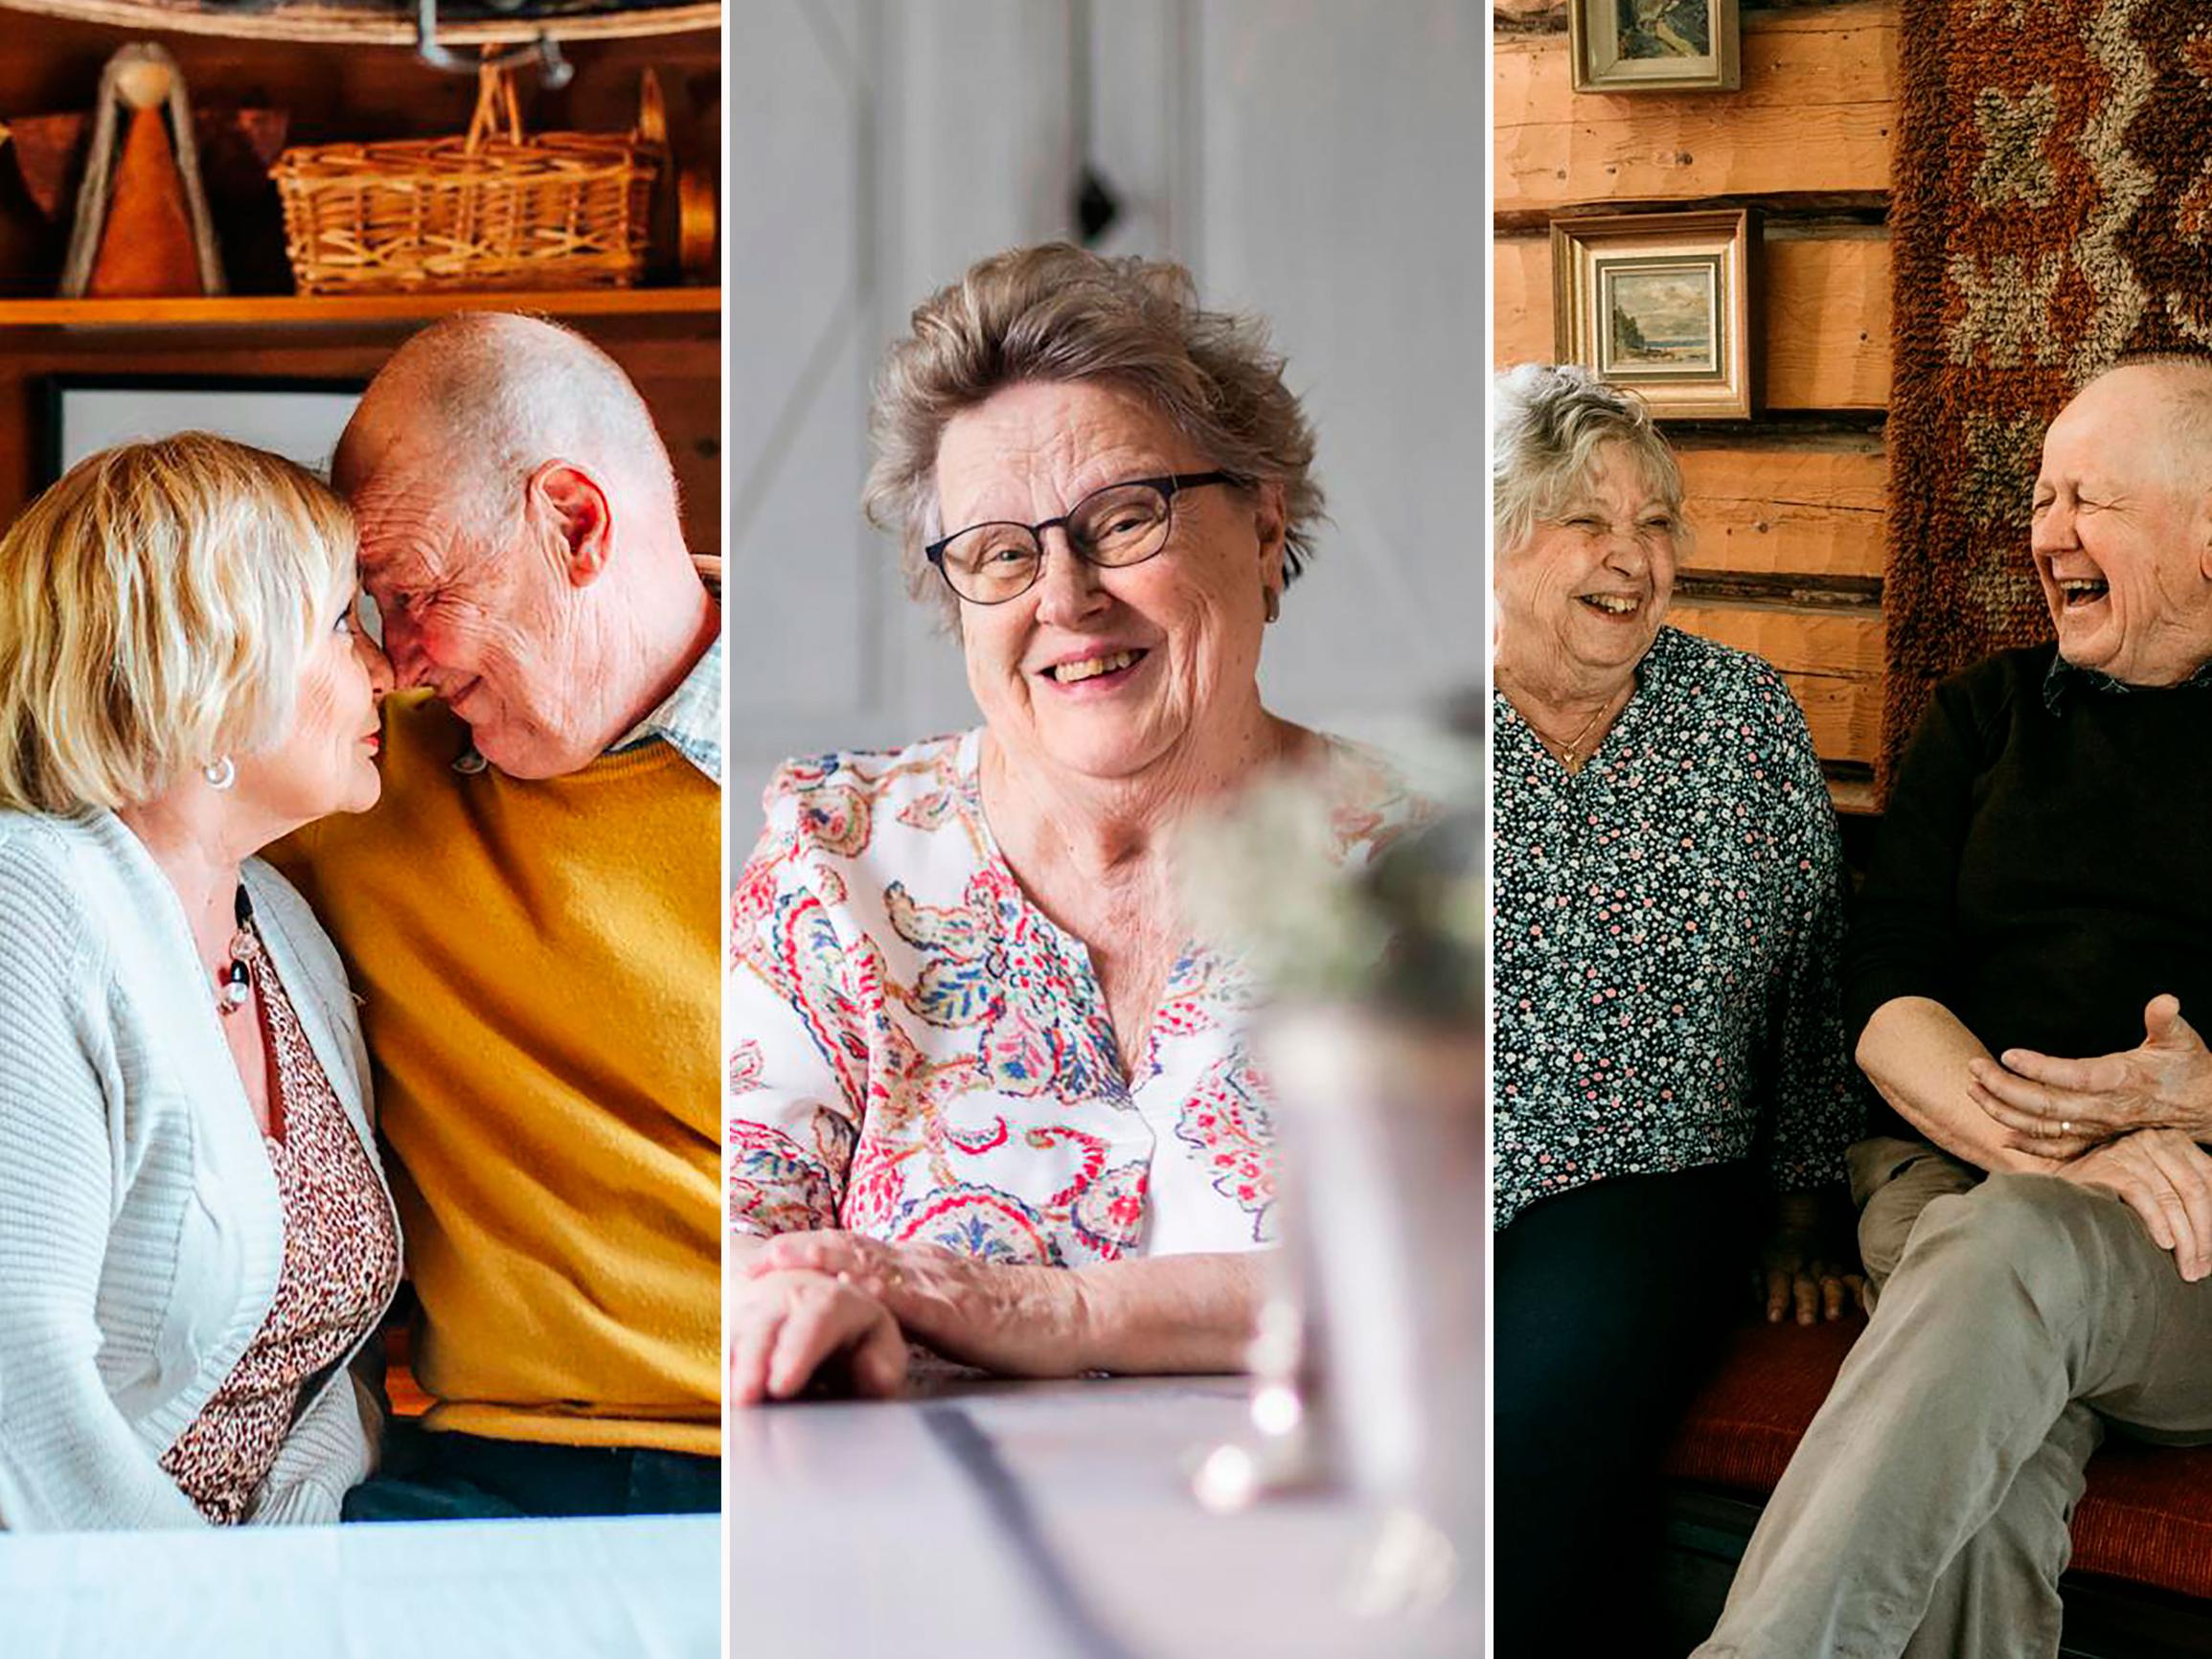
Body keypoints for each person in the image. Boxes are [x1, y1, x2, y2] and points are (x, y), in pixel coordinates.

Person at [724, 242, 1428, 1402]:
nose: (1064, 597)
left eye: (1122, 518)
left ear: (1260, 527)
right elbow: (733, 1243)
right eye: (999, 554)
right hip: (906, 1534)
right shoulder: (837, 855)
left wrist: (1052, 1311)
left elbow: (1449, 1271)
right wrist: (789, 1303)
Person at [1697, 356, 2212, 1658]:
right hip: (1944, 1171)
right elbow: (1884, 986)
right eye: (2039, 496)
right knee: (1980, 1481)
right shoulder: (1984, 716)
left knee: (2004, 1253)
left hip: (2188, 1241)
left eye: (2086, 498)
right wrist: (2058, 1143)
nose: (2044, 532)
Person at [267, 313, 722, 1519]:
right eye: (371, 610)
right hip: (481, 1466)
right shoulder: (353, 773)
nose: (399, 662)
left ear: (574, 524)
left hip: (810, 1456)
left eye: (414, 593)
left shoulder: (849, 787)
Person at [1488, 364, 1862, 1651]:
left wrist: (1809, 1213)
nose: (1632, 560)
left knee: (1531, 1413)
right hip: (1437, 1179)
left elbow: (1816, 982)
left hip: (1648, 1182)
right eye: (1586, 521)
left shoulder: (1738, 717)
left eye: (1654, 526)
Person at [0, 434, 399, 1529]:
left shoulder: (287, 934)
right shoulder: (29, 904)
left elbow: (327, 1372)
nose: (383, 668)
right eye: (337, 625)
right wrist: (198, 1610)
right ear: (213, 658)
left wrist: (293, 1549)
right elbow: (15, 1377)